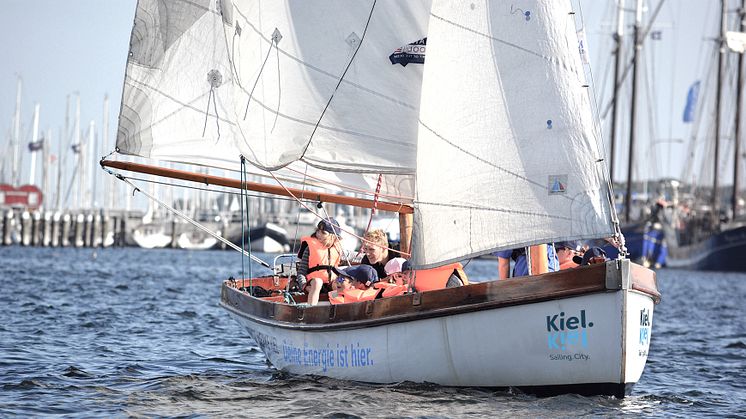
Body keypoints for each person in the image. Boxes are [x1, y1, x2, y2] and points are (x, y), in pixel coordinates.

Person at [296, 218, 343, 306]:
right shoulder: (309, 248)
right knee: (318, 282)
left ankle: (339, 309)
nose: (318, 234)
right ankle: (311, 309)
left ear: (333, 236)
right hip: (312, 285)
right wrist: (304, 286)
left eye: (323, 233)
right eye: (318, 231)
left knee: (342, 282)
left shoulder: (337, 248)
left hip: (330, 284)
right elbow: (301, 272)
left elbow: (353, 256)